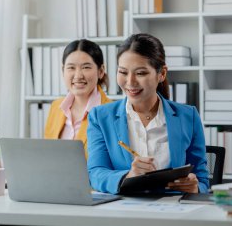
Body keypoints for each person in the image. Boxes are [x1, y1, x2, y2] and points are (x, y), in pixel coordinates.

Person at [87, 33, 209, 194]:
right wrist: (128, 176)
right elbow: (95, 173)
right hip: (123, 209)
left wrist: (196, 187)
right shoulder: (100, 117)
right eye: (123, 72)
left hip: (173, 208)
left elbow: (202, 179)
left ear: (162, 73)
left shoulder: (188, 117)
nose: (130, 82)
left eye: (140, 73)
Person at [0, 39, 111, 170]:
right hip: (55, 188)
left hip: (93, 192)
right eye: (71, 67)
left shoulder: (111, 112)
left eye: (86, 67)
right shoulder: (57, 108)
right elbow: (46, 156)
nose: (78, 75)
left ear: (101, 71)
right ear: (62, 70)